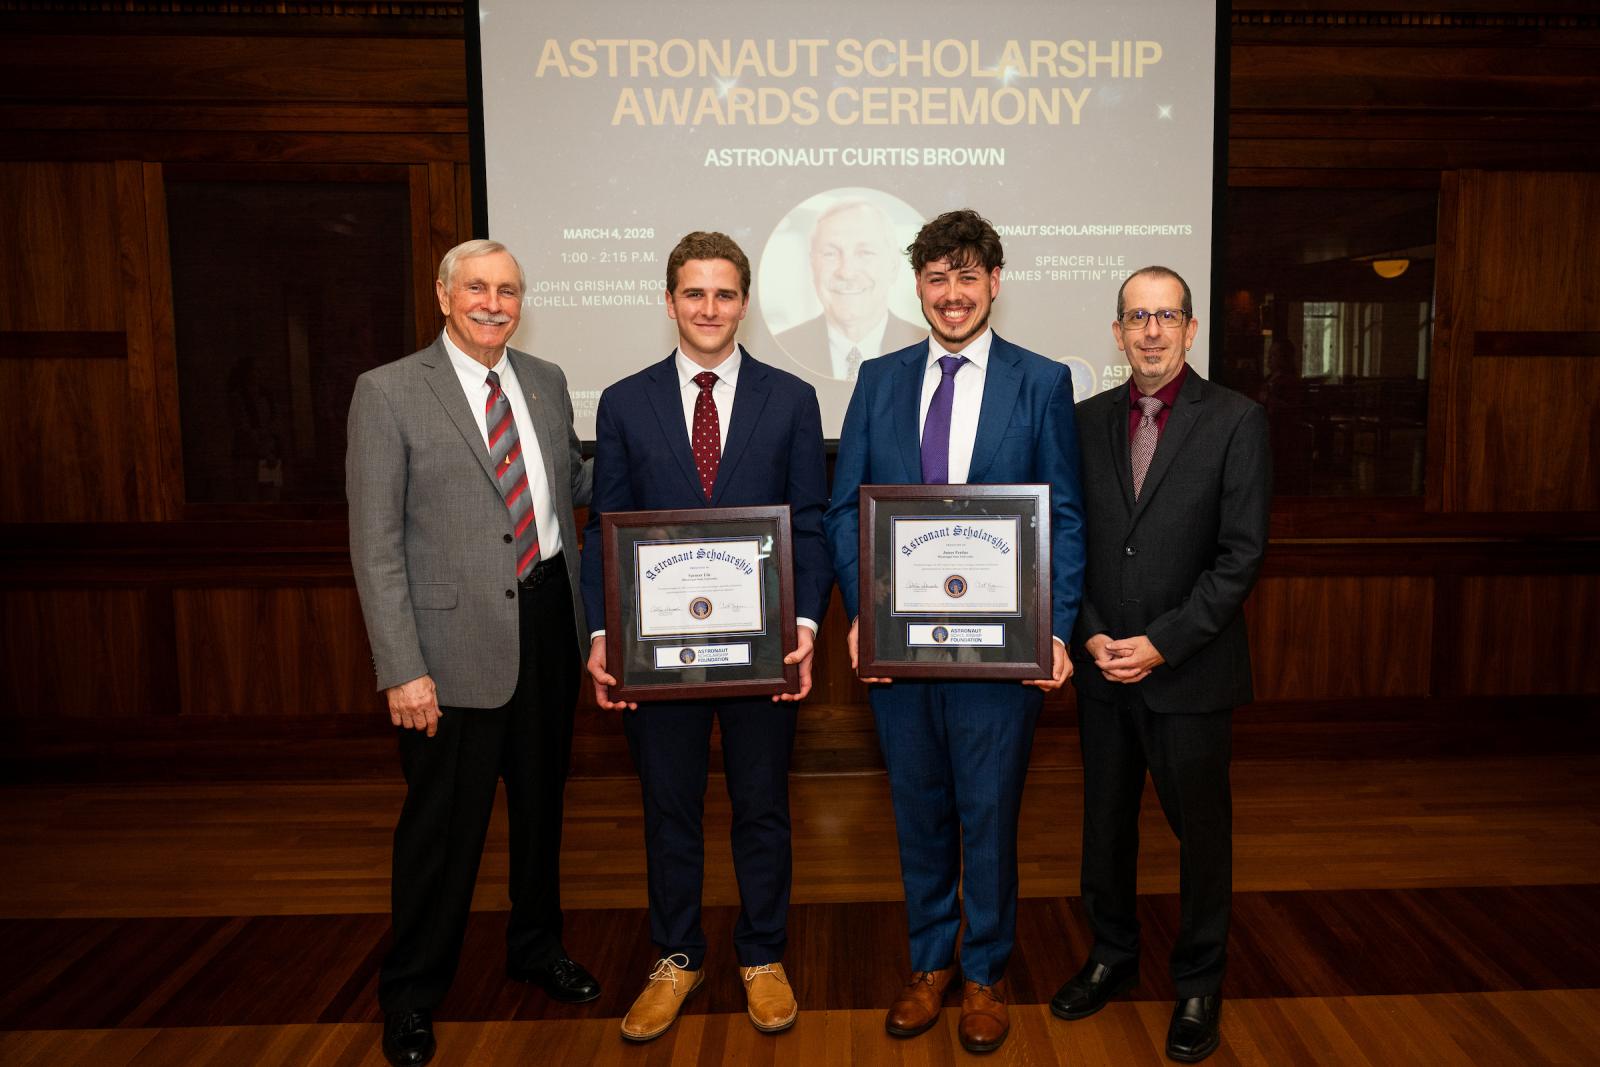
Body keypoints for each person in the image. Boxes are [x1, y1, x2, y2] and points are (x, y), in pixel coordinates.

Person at [824, 208, 1085, 1054]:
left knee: (990, 810)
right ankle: (929, 962)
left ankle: (985, 972)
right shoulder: (878, 378)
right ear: (919, 286)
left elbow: (1066, 517)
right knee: (919, 809)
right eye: (936, 277)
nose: (952, 293)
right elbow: (843, 507)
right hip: (899, 651)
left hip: (1003, 651)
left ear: (994, 283)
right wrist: (864, 614)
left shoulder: (1041, 381)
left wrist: (1056, 628)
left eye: (967, 275)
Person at [346, 239, 598, 1067]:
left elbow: (573, 487)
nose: (495, 302)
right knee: (440, 834)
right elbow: (375, 546)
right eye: (479, 288)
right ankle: (413, 992)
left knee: (541, 813)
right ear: (445, 296)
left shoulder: (546, 381)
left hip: (547, 626)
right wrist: (401, 667)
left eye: (510, 290)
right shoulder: (387, 392)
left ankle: (535, 947)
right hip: (446, 655)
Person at [581, 231, 833, 1043]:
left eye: (725, 293)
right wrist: (600, 631)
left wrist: (802, 626)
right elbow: (603, 529)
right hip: (658, 656)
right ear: (669, 301)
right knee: (669, 806)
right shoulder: (624, 401)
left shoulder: (792, 398)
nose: (710, 308)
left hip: (763, 652)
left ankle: (762, 954)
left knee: (762, 806)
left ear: (745, 301)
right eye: (695, 293)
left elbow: (813, 521)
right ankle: (678, 954)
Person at [1050, 266, 1270, 1064]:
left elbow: (1240, 557)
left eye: (1165, 316)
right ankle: (1110, 954)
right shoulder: (1081, 422)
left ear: (1190, 328)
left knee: (1200, 836)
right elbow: (1064, 539)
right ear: (1116, 332)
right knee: (1103, 828)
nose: (1150, 331)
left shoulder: (1237, 422)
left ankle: (1199, 981)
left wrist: (1164, 641)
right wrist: (1091, 633)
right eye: (1136, 317)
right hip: (1106, 666)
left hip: (1191, 672)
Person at [775, 200, 925, 381]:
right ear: (812, 265)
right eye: (830, 254)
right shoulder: (783, 348)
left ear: (893, 266)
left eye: (865, 253)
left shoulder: (928, 349)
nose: (846, 272)